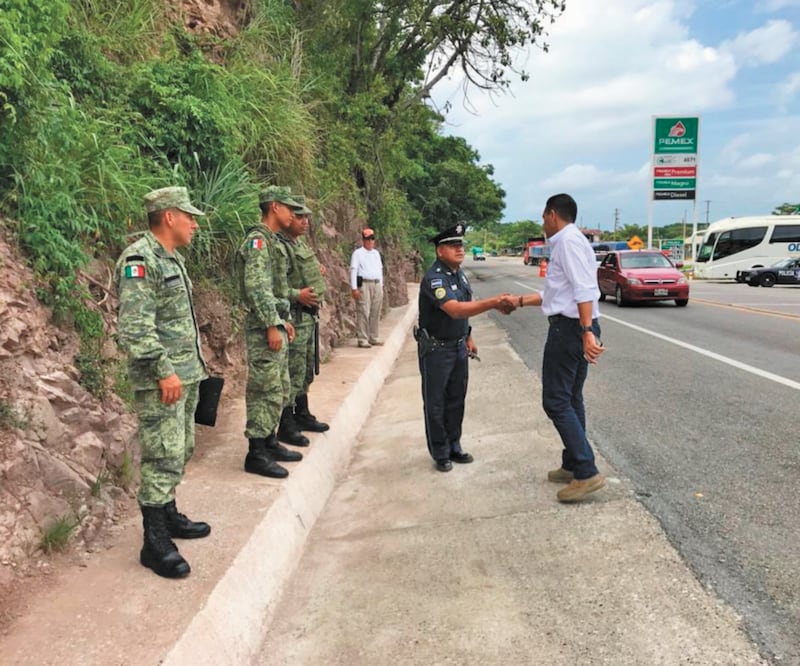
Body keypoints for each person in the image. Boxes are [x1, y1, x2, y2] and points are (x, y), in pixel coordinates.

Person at [114, 186, 210, 579]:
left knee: (181, 447)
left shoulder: (173, 259)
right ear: (168, 216)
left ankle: (167, 513)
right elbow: (135, 327)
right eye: (189, 216)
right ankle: (153, 542)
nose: (194, 223)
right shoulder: (140, 259)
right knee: (162, 455)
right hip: (163, 379)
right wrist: (162, 370)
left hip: (185, 374)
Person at [510, 193, 606, 502]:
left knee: (555, 401)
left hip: (570, 330)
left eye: (542, 218)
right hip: (573, 326)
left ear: (552, 215)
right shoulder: (571, 241)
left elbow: (584, 289)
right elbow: (558, 293)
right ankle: (573, 463)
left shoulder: (566, 241)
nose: (542, 224)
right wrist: (519, 301)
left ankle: (587, 471)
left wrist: (586, 331)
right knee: (571, 397)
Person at [416, 223, 515, 472]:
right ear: (440, 251)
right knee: (436, 402)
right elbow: (455, 309)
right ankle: (440, 452)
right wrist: (493, 302)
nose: (459, 249)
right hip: (437, 351)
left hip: (458, 347)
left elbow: (463, 310)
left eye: (461, 244)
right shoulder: (434, 278)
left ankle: (454, 445)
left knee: (456, 400)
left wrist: (468, 335)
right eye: (453, 245)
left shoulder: (459, 274)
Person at [235, 185, 307, 481]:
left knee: (278, 387)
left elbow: (273, 290)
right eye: (289, 207)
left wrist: (281, 319)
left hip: (274, 321)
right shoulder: (257, 242)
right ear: (274, 207)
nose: (293, 213)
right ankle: (256, 452)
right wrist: (270, 324)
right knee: (264, 388)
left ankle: (269, 440)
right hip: (262, 328)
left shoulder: (271, 241)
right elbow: (256, 288)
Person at [279, 194, 329, 433]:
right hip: (294, 318)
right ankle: (287, 421)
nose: (305, 221)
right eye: (299, 216)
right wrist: (296, 294)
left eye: (306, 216)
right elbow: (272, 287)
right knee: (293, 371)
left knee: (307, 368)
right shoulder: (280, 246)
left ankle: (303, 411)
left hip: (308, 318)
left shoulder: (299, 243)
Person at [349, 228, 384, 348]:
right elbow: (353, 270)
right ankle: (362, 338)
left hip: (376, 283)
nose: (370, 241)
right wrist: (354, 288)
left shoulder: (376, 254)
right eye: (367, 239)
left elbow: (380, 270)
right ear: (363, 240)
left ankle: (373, 336)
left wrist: (381, 285)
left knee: (376, 311)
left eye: (372, 239)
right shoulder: (358, 253)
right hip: (364, 283)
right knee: (363, 310)